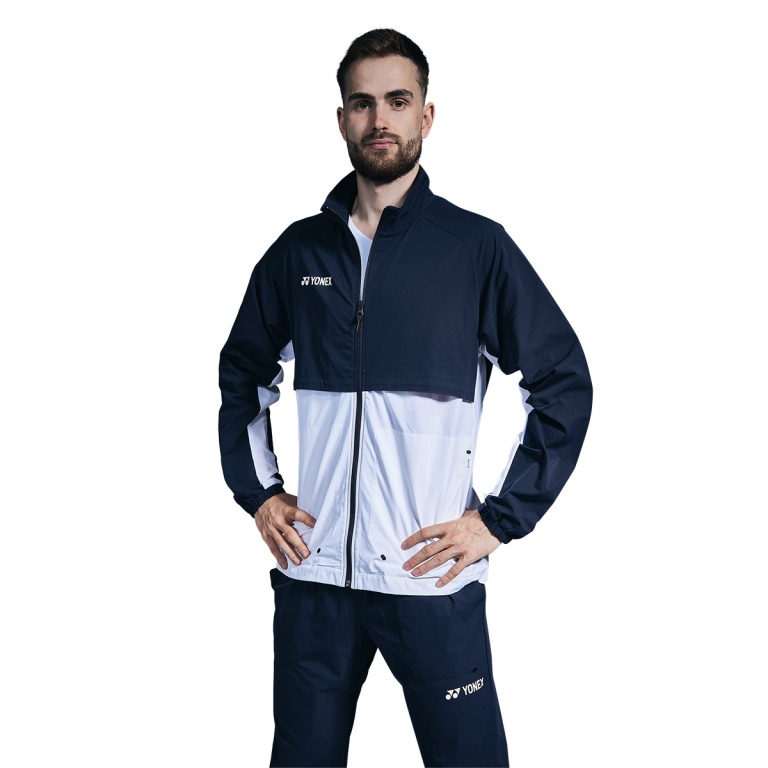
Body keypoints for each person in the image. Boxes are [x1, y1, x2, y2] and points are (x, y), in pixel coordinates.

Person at [218, 28, 592, 768]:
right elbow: (241, 376)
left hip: (431, 580)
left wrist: (500, 520)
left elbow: (563, 382)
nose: (379, 119)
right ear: (342, 119)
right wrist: (258, 494)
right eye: (362, 103)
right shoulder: (298, 253)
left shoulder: (474, 249)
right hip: (314, 579)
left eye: (397, 100)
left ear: (427, 116)